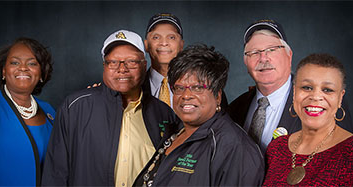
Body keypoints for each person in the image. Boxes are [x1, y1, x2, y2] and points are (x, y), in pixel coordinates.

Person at [41, 30, 179, 186]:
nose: (122, 68)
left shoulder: (163, 113)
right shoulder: (75, 107)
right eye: (113, 62)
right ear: (104, 66)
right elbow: (55, 173)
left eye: (131, 61)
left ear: (144, 64)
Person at [134, 44, 264, 186]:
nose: (186, 95)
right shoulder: (174, 132)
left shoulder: (235, 148)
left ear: (217, 95)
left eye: (197, 88)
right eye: (179, 88)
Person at [227, 19, 353, 152]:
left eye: (272, 49)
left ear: (289, 55)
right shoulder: (235, 109)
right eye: (254, 52)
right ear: (246, 62)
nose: (263, 58)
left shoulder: (323, 102)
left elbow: (345, 157)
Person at [263, 53, 353, 186]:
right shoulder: (276, 148)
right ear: (294, 92)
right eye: (307, 87)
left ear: (340, 98)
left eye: (327, 90)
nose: (315, 96)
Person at [0, 37, 55, 186]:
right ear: (4, 71)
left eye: (32, 63)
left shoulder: (49, 111)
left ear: (42, 73)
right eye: (15, 62)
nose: (23, 67)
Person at [142, 13, 228, 108]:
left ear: (181, 45)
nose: (164, 43)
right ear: (146, 45)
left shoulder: (208, 87)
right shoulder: (134, 89)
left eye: (171, 37)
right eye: (156, 37)